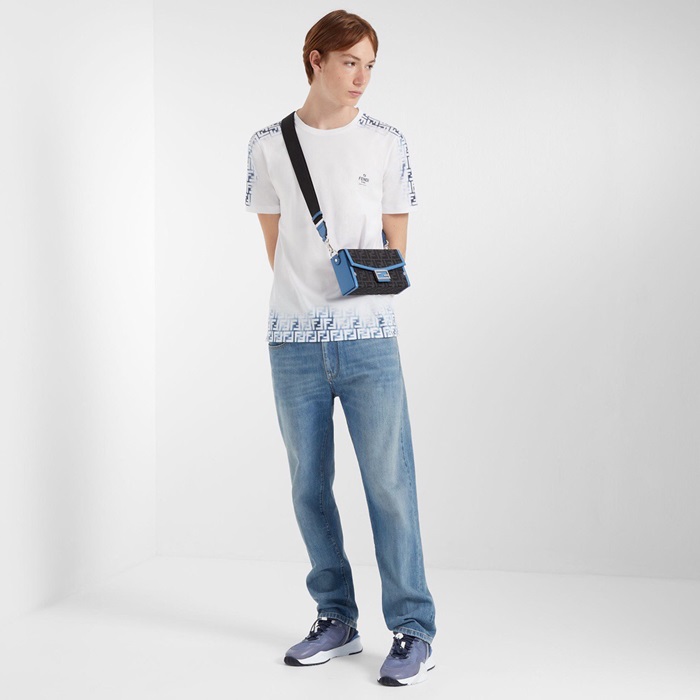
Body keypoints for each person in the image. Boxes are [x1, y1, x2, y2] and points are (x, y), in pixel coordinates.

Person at [245, 9, 436, 687]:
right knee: (308, 486)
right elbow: (276, 248)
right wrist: (310, 297)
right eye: (350, 62)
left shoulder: (386, 142)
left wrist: (351, 294)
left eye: (370, 65)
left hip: (369, 340)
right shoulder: (268, 145)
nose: (361, 77)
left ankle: (413, 628)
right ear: (316, 60)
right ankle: (336, 618)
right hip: (293, 339)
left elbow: (396, 246)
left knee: (389, 483)